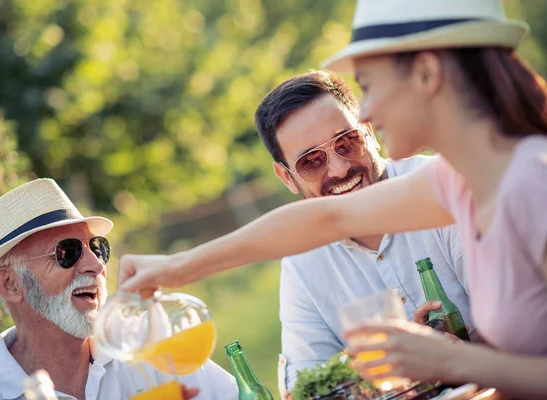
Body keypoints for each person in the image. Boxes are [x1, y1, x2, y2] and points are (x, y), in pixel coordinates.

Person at [117, 0, 547, 397]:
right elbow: (326, 220)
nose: (366, 112)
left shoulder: (530, 181)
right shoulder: (456, 181)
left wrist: (450, 359)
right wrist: (176, 268)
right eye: (311, 161)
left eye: (369, 85)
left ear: (428, 75)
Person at [253, 70, 471, 396]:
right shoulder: (302, 263)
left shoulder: (443, 186)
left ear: (368, 131)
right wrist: (371, 369)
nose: (340, 169)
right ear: (287, 177)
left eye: (347, 142)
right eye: (312, 161)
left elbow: (523, 320)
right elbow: (306, 387)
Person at [0, 178, 237, 400]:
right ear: (9, 284)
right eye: (67, 252)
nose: (96, 265)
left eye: (97, 248)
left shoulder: (149, 351)